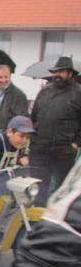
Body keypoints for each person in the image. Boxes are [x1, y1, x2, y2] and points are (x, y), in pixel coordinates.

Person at [29, 56, 81, 206]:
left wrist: (76, 144)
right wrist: (33, 138)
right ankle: (37, 214)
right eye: (56, 72)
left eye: (61, 72)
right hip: (40, 148)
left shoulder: (78, 93)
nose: (57, 75)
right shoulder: (45, 91)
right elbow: (34, 116)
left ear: (70, 73)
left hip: (63, 151)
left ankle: (54, 215)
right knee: (37, 186)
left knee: (60, 189)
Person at [0, 64, 29, 132]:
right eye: (0, 77)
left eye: (6, 77)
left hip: (6, 135)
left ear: (10, 76)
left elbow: (21, 119)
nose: (3, 80)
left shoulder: (18, 95)